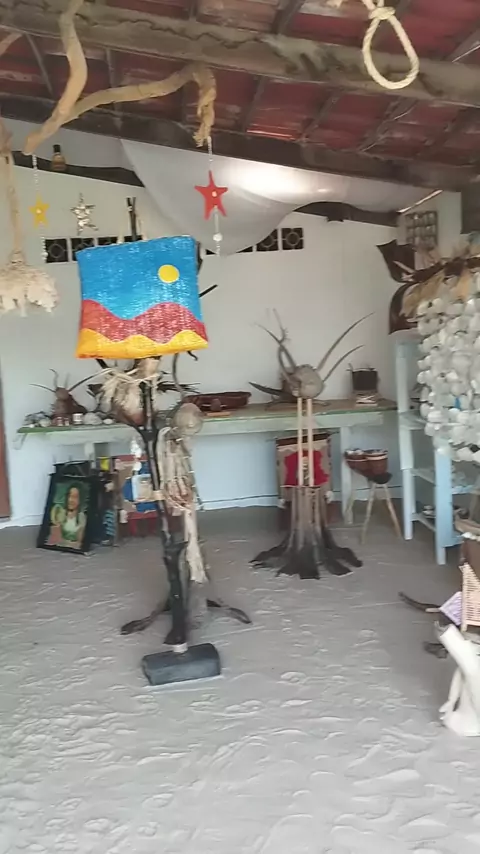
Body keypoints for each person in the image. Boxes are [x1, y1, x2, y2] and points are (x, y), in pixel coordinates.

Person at [48, 483, 86, 548]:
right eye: (69, 496)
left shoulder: (82, 517)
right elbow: (55, 539)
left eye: (75, 497)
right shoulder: (60, 513)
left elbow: (80, 542)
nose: (70, 500)